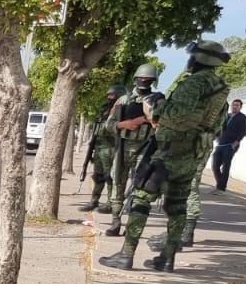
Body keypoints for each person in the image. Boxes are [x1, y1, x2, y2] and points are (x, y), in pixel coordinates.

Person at [99, 39, 230, 272]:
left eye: (192, 56)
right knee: (177, 205)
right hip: (191, 154)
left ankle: (126, 254)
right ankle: (167, 258)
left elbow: (175, 115)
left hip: (168, 151)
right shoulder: (220, 89)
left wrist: (157, 107)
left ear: (198, 59)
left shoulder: (193, 84)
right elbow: (216, 126)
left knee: (140, 199)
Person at [102, 63, 161, 235]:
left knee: (140, 186)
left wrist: (149, 118)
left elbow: (162, 124)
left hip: (145, 147)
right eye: (141, 78)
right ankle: (115, 220)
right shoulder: (123, 100)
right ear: (136, 79)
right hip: (123, 146)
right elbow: (109, 125)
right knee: (117, 183)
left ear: (153, 81)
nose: (144, 81)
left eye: (147, 79)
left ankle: (132, 224)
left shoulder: (157, 101)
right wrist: (125, 124)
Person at [82, 85, 126, 211]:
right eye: (108, 95)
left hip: (111, 147)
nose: (109, 97)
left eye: (111, 95)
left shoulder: (121, 110)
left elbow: (115, 128)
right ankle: (94, 200)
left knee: (109, 176)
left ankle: (110, 203)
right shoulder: (104, 109)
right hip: (99, 146)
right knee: (98, 175)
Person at [210, 98, 246, 190]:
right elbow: (219, 127)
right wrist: (216, 137)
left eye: (237, 105)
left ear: (240, 107)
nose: (234, 106)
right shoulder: (227, 116)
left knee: (225, 167)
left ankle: (220, 188)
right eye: (233, 105)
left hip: (230, 145)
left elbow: (244, 132)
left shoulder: (243, 118)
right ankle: (221, 185)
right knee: (215, 166)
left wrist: (235, 143)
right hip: (220, 144)